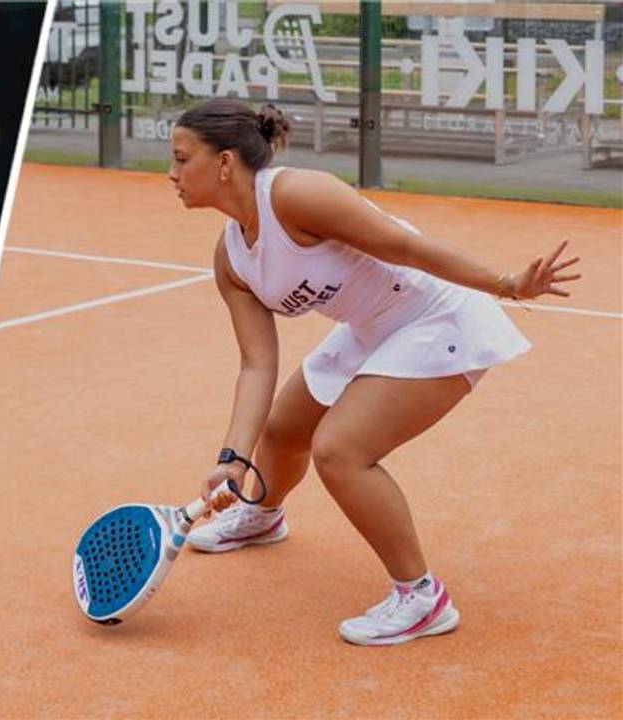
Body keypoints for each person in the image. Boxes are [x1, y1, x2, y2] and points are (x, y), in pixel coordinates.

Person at [169, 98, 580, 646]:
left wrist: (506, 284)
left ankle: (421, 596)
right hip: (372, 328)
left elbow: (406, 247)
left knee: (340, 450)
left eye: (180, 158)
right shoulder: (230, 258)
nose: (170, 174)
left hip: (438, 315)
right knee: (282, 432)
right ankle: (264, 515)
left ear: (223, 163)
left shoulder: (295, 195)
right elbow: (257, 362)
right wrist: (232, 460)